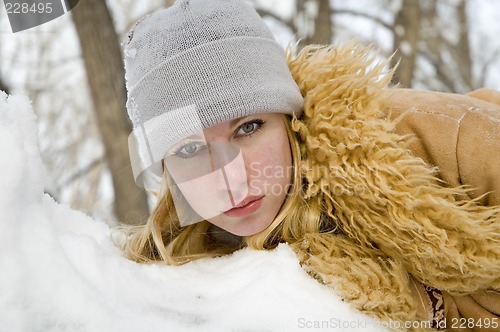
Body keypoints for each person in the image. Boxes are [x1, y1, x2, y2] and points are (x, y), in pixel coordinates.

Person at [121, 0, 500, 329]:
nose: (231, 180)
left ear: (288, 116)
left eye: (248, 127)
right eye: (189, 150)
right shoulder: (180, 264)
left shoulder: (416, 137)